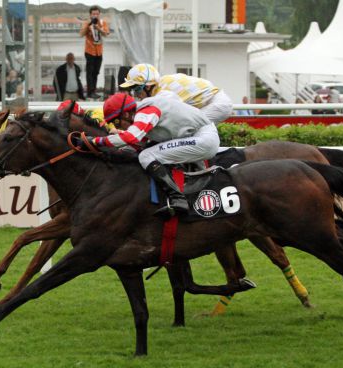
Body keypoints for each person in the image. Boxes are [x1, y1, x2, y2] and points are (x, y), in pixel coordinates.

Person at [84, 92, 220, 217]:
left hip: (203, 139)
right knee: (147, 152)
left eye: (116, 122)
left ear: (126, 114)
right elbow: (138, 143)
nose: (118, 127)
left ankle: (177, 198)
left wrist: (96, 141)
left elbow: (131, 138)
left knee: (146, 156)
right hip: (199, 137)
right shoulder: (143, 112)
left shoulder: (147, 111)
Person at [119, 63, 233, 125]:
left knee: (188, 131)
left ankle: (201, 168)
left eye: (137, 89)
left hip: (216, 103)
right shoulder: (161, 84)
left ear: (147, 86)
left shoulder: (162, 93)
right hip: (214, 101)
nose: (137, 95)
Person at [80, 5, 109, 99]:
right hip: (89, 51)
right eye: (93, 14)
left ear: (99, 14)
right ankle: (90, 92)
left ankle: (94, 91)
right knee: (90, 72)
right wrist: (89, 25)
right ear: (90, 15)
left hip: (99, 52)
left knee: (96, 72)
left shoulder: (102, 22)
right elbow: (81, 34)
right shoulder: (87, 23)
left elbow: (106, 34)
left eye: (97, 14)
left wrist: (98, 28)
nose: (95, 15)